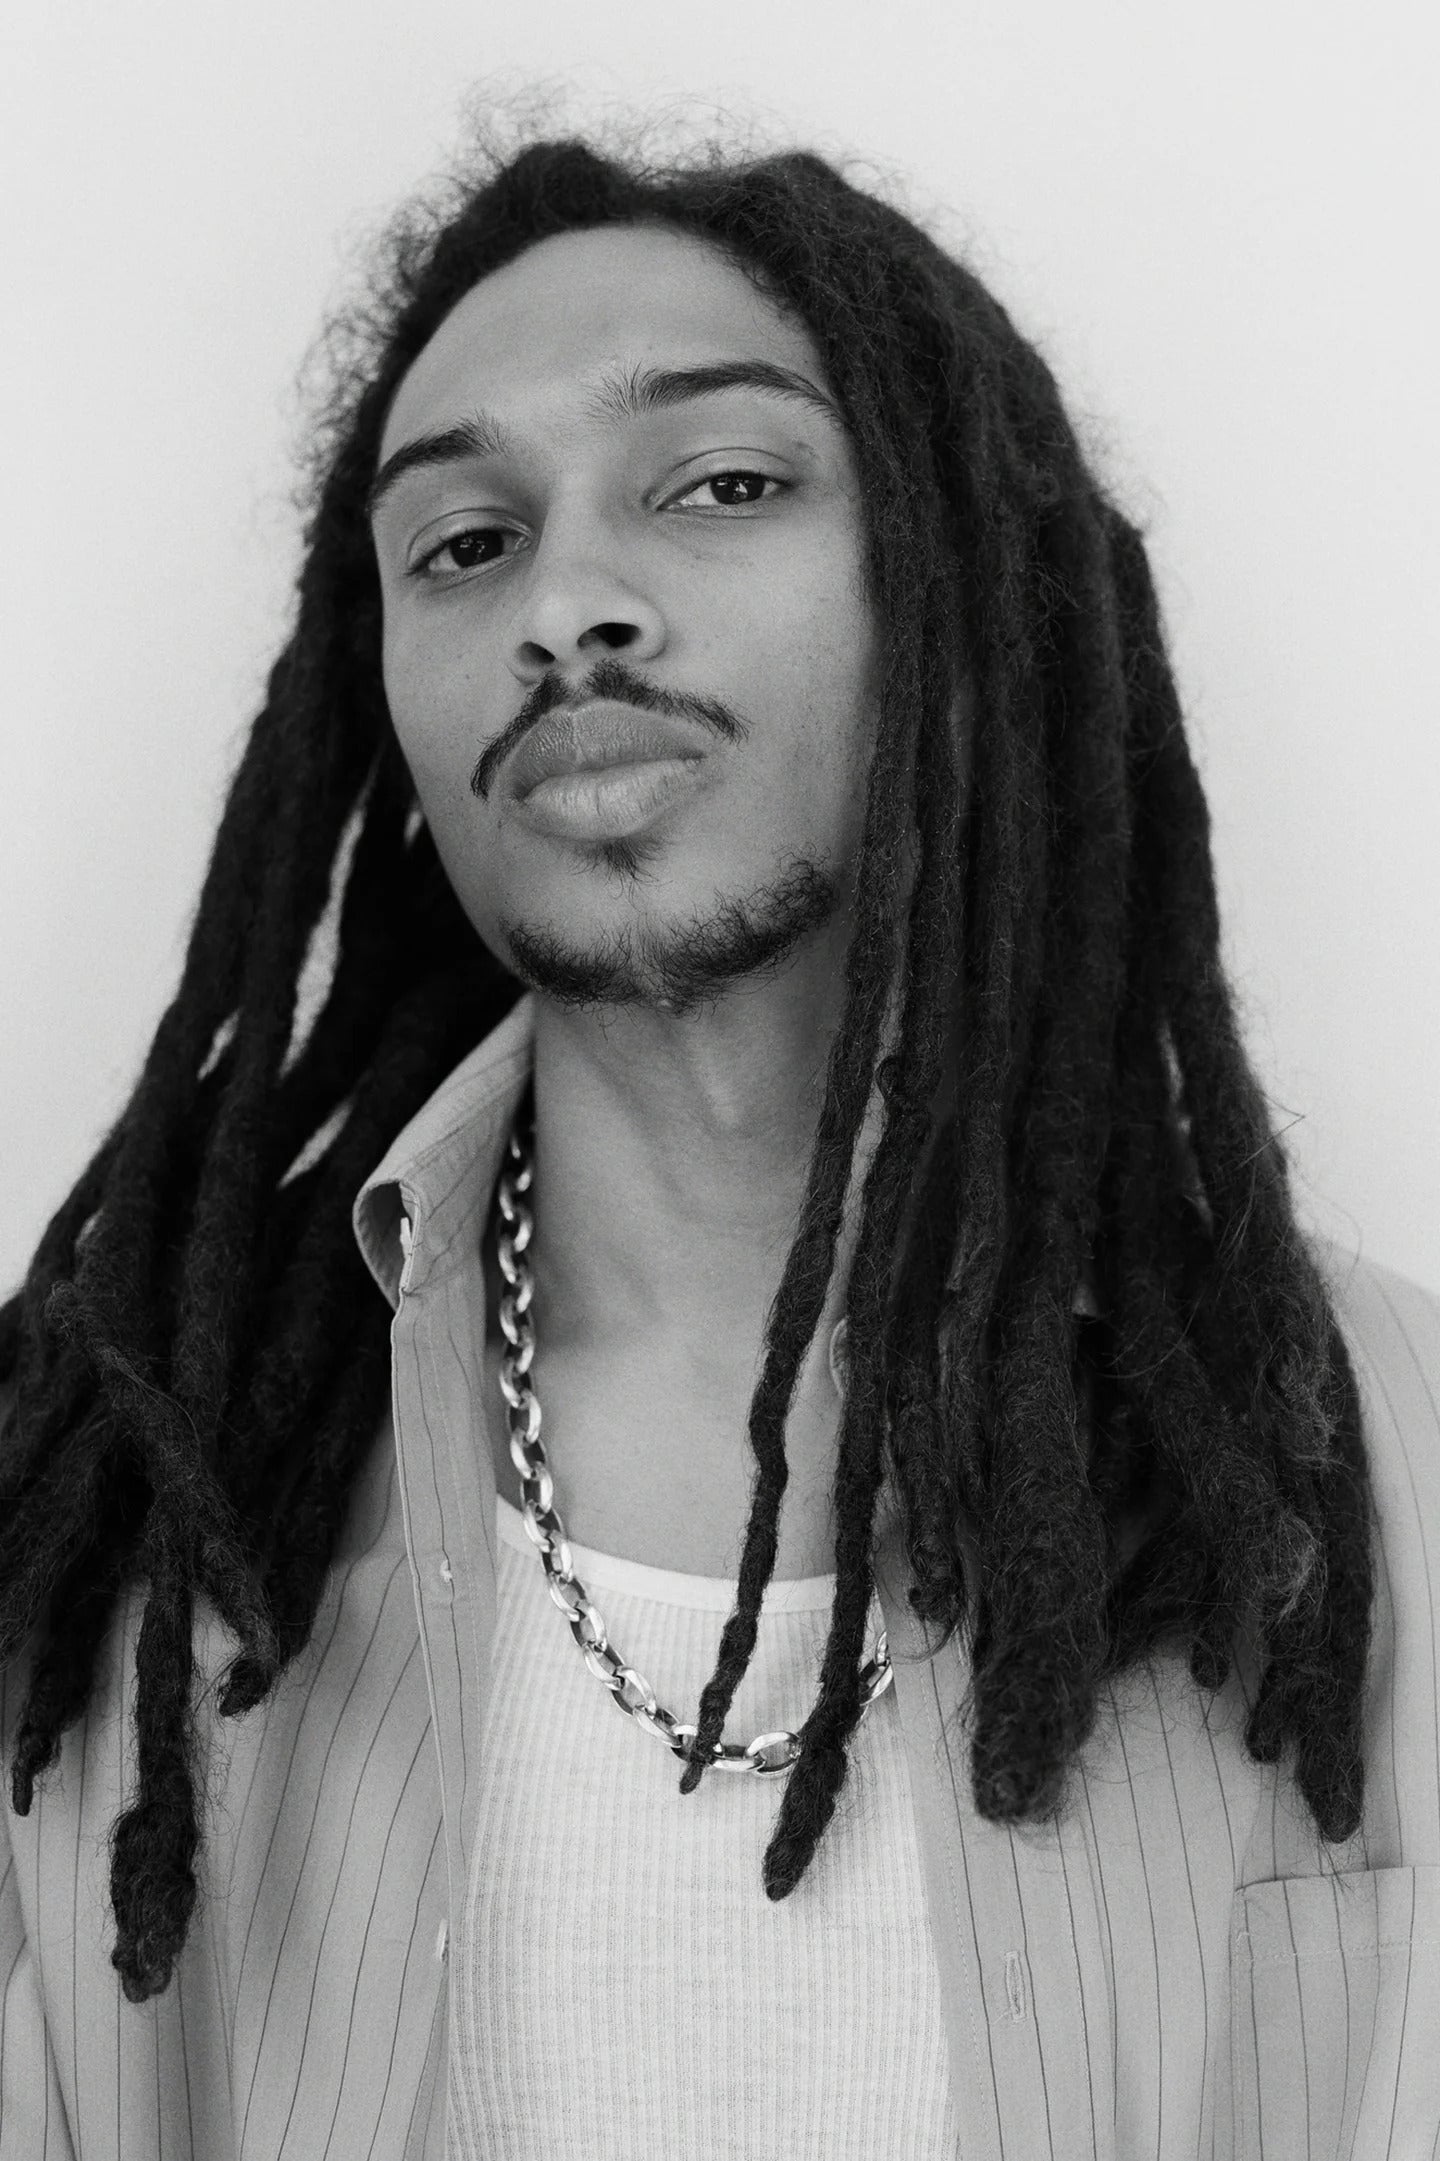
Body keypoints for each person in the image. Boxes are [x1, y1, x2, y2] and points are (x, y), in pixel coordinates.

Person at [1, 128, 1437, 2161]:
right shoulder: (99, 1514)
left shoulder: (1397, 1460)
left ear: (962, 590)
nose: (566, 602)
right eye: (464, 542)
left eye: (724, 483)